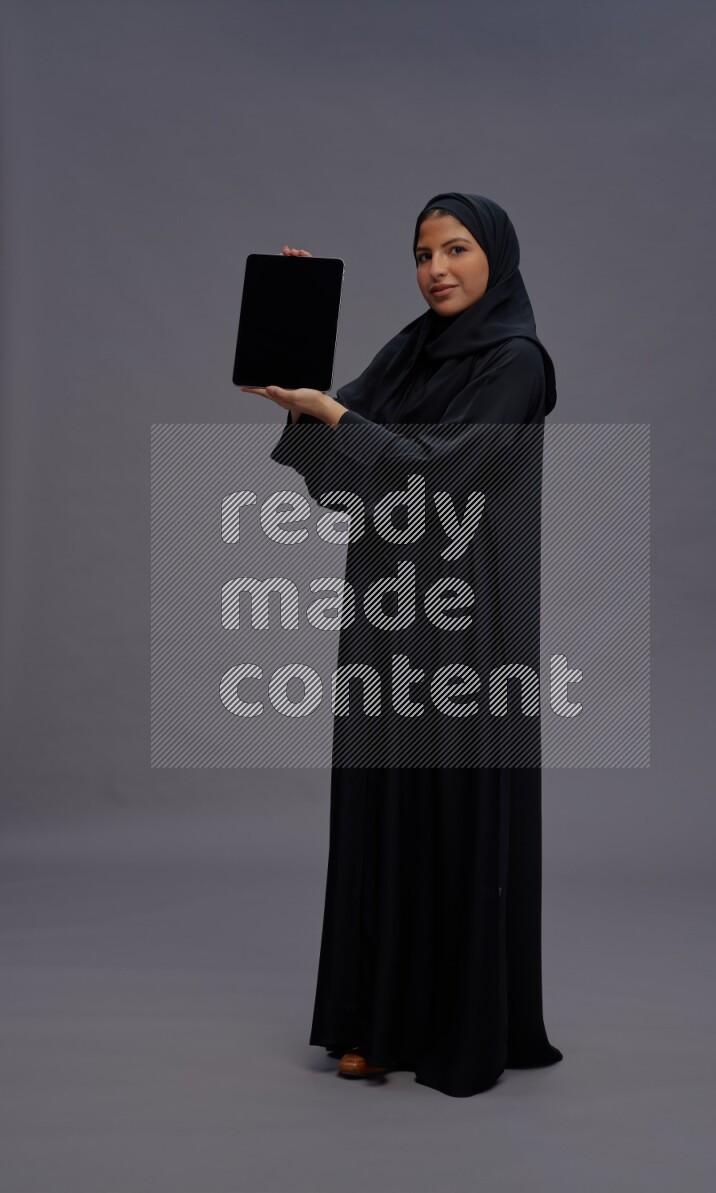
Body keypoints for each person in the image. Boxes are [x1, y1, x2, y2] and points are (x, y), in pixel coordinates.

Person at [242, 191, 563, 1097]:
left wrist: (336, 420)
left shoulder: (518, 363)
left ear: (495, 255)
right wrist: (291, 362)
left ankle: (455, 1025)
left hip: (470, 624)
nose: (437, 270)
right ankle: (370, 1023)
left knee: (451, 808)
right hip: (387, 609)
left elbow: (446, 472)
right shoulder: (412, 348)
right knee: (383, 802)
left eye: (456, 249)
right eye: (423, 255)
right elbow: (330, 466)